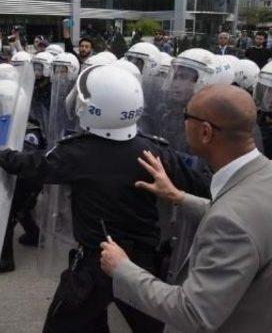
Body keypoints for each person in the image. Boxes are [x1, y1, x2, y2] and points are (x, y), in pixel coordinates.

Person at [0, 65, 207, 333]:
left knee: (61, 326)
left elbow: (34, 165)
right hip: (143, 262)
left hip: (96, 263)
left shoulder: (77, 152)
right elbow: (201, 186)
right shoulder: (154, 150)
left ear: (91, 108)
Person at [102, 84, 272, 333]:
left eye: (186, 116)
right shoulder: (263, 174)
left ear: (205, 132)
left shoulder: (231, 221)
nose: (183, 123)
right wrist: (178, 196)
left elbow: (193, 313)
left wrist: (122, 269)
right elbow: (245, 222)